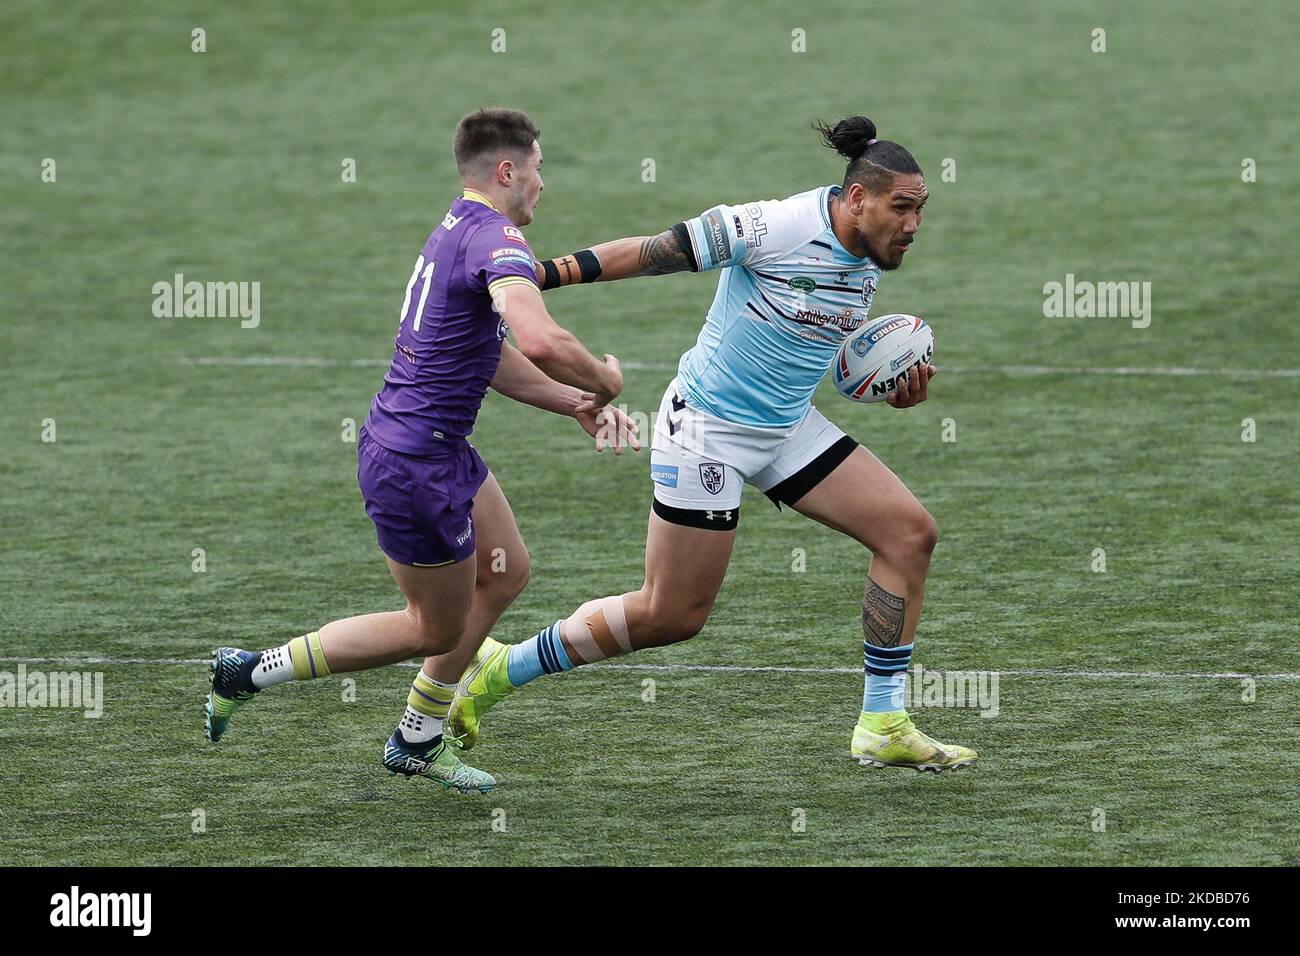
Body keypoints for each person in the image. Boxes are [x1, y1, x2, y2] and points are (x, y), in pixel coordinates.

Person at [445, 115, 976, 773]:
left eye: (920, 210)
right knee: (671, 616)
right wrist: (533, 275)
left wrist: (886, 383)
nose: (913, 225)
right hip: (707, 433)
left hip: (785, 426)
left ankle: (884, 722)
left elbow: (821, 340)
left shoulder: (870, 251)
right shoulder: (774, 227)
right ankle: (502, 667)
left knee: (909, 535)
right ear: (858, 198)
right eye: (903, 208)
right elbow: (648, 251)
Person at [203, 107, 638, 794]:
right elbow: (543, 340)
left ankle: (417, 737)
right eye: (539, 169)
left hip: (432, 447)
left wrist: (573, 405)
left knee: (507, 572)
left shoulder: (456, 228)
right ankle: (248, 672)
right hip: (414, 465)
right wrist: (604, 381)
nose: (542, 185)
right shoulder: (498, 241)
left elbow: (487, 355)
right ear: (507, 171)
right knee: (431, 629)